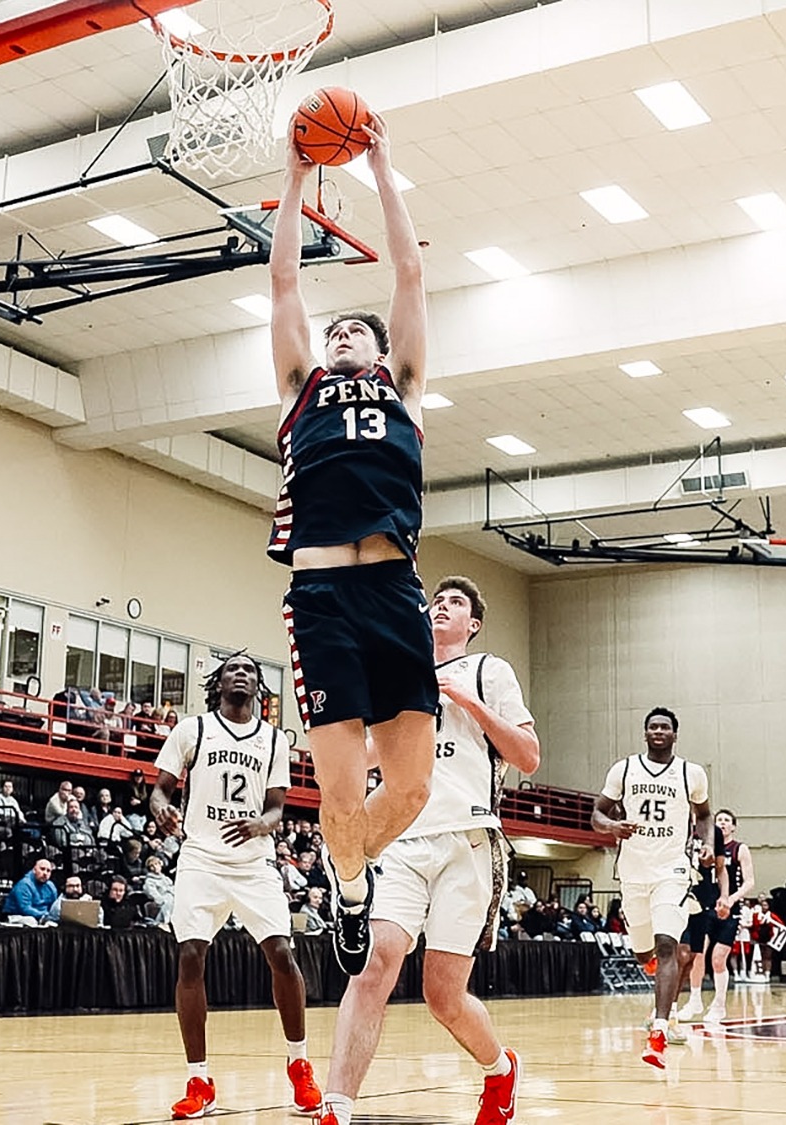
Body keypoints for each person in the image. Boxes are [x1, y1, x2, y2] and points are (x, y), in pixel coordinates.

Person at [267, 118, 435, 981]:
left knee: (409, 790)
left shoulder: (401, 388)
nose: (339, 335)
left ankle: (345, 867)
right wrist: (296, 179)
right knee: (338, 792)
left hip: (396, 594)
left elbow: (408, 272)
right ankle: (346, 871)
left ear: (379, 350)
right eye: (333, 332)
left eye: (353, 332)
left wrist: (379, 164)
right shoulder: (301, 389)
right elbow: (285, 283)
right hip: (323, 600)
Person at [316, 576, 536, 1125]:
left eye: (455, 603)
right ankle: (337, 1106)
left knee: (442, 995)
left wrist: (463, 700)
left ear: (474, 623)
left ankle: (498, 1068)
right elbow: (371, 752)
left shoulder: (490, 670)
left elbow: (528, 755)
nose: (442, 609)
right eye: (436, 602)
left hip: (468, 839)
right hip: (401, 838)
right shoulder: (402, 675)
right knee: (373, 965)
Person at [149, 653, 322, 1119]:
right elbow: (160, 788)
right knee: (189, 956)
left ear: (260, 686)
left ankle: (299, 1064)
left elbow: (276, 807)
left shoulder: (272, 740)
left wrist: (262, 826)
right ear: (218, 682)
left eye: (249, 669)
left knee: (283, 955)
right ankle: (199, 1079)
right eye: (232, 669)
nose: (241, 673)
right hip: (201, 858)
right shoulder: (193, 730)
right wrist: (161, 808)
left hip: (254, 863)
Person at [593, 707, 711, 1062]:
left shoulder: (692, 773)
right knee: (644, 951)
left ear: (675, 734)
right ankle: (654, 970)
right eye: (653, 727)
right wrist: (612, 827)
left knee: (667, 946)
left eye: (665, 727)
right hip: (632, 872)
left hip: (672, 870)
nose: (658, 731)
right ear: (645, 734)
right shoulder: (624, 769)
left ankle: (659, 1027)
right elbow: (597, 813)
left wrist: (705, 843)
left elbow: (704, 816)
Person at [679, 808, 754, 1024]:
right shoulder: (704, 846)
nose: (722, 823)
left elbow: (750, 881)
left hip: (729, 908)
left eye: (726, 820)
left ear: (733, 826)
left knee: (718, 958)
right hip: (705, 905)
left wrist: (731, 899)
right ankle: (694, 1000)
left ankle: (719, 1005)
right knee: (698, 953)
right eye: (718, 819)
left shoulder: (740, 849)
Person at [4, 857, 61, 922]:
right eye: (42, 869)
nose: (45, 873)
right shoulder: (24, 884)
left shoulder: (51, 886)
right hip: (18, 917)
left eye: (48, 871)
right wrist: (46, 915)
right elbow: (25, 909)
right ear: (34, 870)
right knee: (31, 920)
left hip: (43, 918)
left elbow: (54, 907)